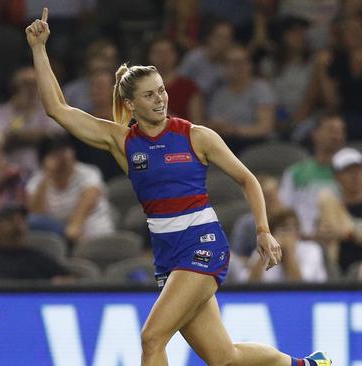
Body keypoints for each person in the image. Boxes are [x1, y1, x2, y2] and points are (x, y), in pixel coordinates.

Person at [26, 8, 331, 366]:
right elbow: (57, 109)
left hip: (203, 246)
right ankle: (309, 364)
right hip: (168, 256)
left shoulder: (196, 136)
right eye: (150, 95)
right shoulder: (122, 142)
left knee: (151, 337)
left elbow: (248, 179)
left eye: (162, 91)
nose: (160, 99)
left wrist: (264, 231)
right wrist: (39, 49)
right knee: (225, 358)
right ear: (130, 104)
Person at [26, 135, 115, 242]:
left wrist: (74, 229)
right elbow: (37, 215)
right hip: (60, 236)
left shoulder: (89, 173)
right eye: (54, 152)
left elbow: (86, 205)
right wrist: (48, 175)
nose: (61, 156)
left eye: (64, 150)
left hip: (93, 232)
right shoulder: (36, 182)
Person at [317, 147, 362, 273]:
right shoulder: (331, 207)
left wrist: (348, 234)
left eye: (359, 171)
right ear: (337, 176)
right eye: (349, 172)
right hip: (342, 273)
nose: (356, 176)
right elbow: (324, 236)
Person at [0, 203, 72, 282]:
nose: (18, 226)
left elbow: (67, 281)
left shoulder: (39, 259)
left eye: (21, 221)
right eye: (10, 220)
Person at [279, 113, 345, 238]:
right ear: (315, 134)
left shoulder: (349, 174)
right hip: (303, 237)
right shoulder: (295, 173)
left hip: (338, 236)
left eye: (340, 131)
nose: (337, 136)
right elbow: (285, 209)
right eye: (331, 130)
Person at [0, 66, 65, 174]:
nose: (31, 89)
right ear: (14, 87)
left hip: (42, 173)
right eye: (26, 84)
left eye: (35, 84)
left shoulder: (50, 110)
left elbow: (56, 135)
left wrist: (17, 136)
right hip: (8, 173)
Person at [207, 45, 277, 153]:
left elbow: (265, 127)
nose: (240, 67)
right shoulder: (219, 93)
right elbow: (213, 123)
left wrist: (234, 130)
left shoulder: (260, 88)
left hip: (257, 145)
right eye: (234, 63)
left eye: (244, 62)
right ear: (224, 67)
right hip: (225, 143)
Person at [239, 209, 327, 283]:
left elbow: (301, 288)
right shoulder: (262, 250)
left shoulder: (311, 249)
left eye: (293, 228)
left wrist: (288, 253)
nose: (288, 234)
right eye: (284, 229)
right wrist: (265, 254)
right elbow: (249, 285)